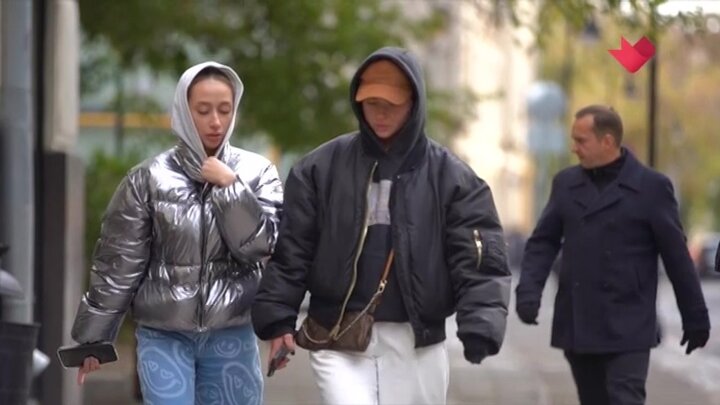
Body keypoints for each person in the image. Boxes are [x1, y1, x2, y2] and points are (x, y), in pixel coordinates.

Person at [251, 46, 511, 405]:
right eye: (372, 103)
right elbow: (292, 250)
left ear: (414, 103)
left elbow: (479, 258)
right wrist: (278, 319)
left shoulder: (453, 178)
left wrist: (481, 323)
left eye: (392, 104)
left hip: (416, 341)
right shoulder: (318, 170)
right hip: (335, 334)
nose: (381, 113)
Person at [70, 61, 283, 405]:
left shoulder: (258, 173)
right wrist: (93, 339)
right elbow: (119, 265)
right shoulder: (147, 179)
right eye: (203, 110)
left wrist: (230, 187)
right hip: (163, 335)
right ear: (184, 111)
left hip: (231, 332)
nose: (215, 121)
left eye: (224, 110)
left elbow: (262, 247)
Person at [516, 105, 710, 405]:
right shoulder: (565, 184)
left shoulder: (651, 187)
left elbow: (676, 256)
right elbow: (543, 242)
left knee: (625, 398)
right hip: (580, 322)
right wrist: (529, 292)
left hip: (629, 323)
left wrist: (695, 316)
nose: (574, 148)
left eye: (581, 141)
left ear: (607, 141)